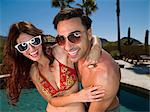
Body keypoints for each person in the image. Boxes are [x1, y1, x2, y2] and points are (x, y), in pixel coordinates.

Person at [3, 21, 105, 112]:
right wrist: (79, 96)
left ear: (40, 39)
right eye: (23, 46)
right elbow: (51, 100)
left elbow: (90, 37)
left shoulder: (59, 50)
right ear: (18, 50)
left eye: (34, 41)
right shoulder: (33, 71)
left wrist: (96, 48)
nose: (31, 49)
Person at [53, 8, 121, 112]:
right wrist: (97, 43)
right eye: (61, 39)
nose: (67, 47)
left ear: (89, 34)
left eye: (75, 36)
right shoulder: (79, 54)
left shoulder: (104, 75)